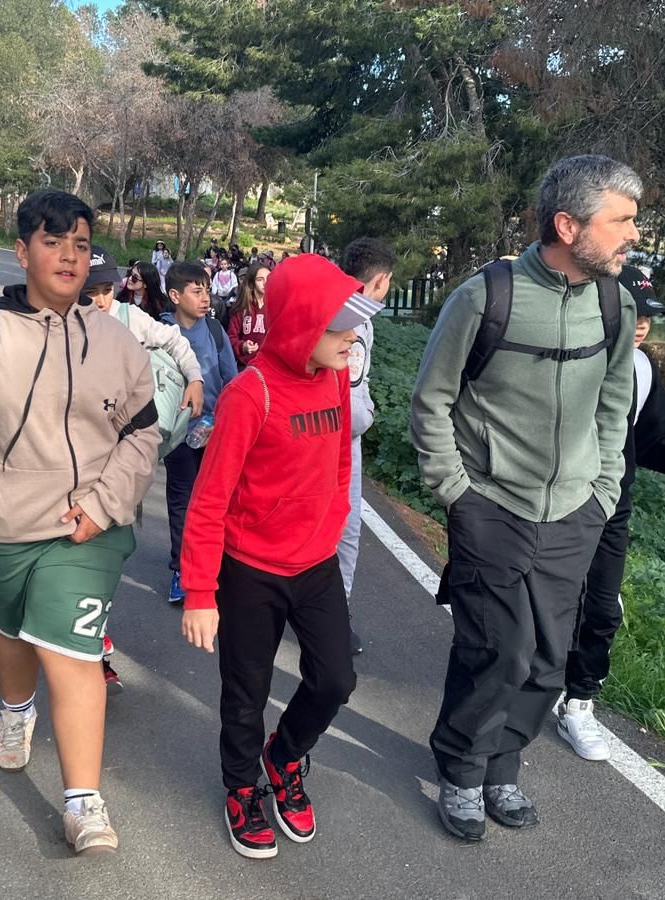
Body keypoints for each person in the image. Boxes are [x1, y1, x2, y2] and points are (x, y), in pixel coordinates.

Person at [0, 190, 160, 856]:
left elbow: (142, 433)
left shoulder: (116, 341)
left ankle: (82, 801)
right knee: (13, 629)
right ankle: (17, 712)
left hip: (85, 532)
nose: (70, 257)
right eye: (53, 242)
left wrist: (103, 505)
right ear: (22, 251)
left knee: (71, 650)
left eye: (80, 244)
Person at [411, 154, 641, 842]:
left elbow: (615, 401)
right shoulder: (486, 296)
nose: (634, 233)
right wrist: (456, 493)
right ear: (569, 225)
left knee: (548, 658)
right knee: (498, 651)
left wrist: (602, 492)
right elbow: (432, 399)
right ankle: (461, 767)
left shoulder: (615, 303)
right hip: (492, 509)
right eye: (621, 220)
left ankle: (503, 766)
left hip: (575, 514)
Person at [178, 254, 381, 860]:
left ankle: (285, 755)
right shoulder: (250, 393)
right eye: (339, 326)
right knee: (245, 692)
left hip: (314, 565)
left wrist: (331, 523)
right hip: (251, 571)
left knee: (336, 678)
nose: (352, 338)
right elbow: (208, 498)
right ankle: (242, 787)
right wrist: (199, 592)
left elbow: (343, 463)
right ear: (298, 326)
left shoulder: (336, 380)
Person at [554, 265, 665, 760]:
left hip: (611, 506)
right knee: (543, 603)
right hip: (551, 503)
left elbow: (652, 441)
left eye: (649, 316)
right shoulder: (567, 356)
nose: (643, 325)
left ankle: (579, 704)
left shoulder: (642, 368)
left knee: (603, 608)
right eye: (634, 312)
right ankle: (531, 681)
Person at [82, 245, 207, 693]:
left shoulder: (129, 318)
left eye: (105, 290)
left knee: (113, 545)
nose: (99, 300)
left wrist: (193, 379)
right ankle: (90, 639)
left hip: (124, 462)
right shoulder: (59, 324)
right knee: (82, 549)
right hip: (74, 463)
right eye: (89, 291)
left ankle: (93, 628)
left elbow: (175, 341)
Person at [161, 261, 240, 605]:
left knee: (214, 501)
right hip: (178, 434)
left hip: (213, 430)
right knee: (182, 499)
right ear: (175, 296)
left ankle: (211, 564)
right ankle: (181, 568)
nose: (206, 297)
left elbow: (231, 379)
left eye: (207, 290)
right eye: (197, 291)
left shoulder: (215, 331)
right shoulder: (160, 334)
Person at [336, 238, 396, 655]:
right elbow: (353, 405)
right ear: (381, 280)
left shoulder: (333, 307)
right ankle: (334, 619)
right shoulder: (356, 323)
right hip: (339, 443)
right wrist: (370, 415)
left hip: (315, 432)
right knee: (346, 530)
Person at [228, 262, 271, 367]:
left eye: (268, 278)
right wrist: (242, 346)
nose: (265, 283)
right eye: (260, 279)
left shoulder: (277, 307)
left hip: (270, 367)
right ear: (252, 283)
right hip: (246, 366)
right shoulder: (241, 308)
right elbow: (231, 338)